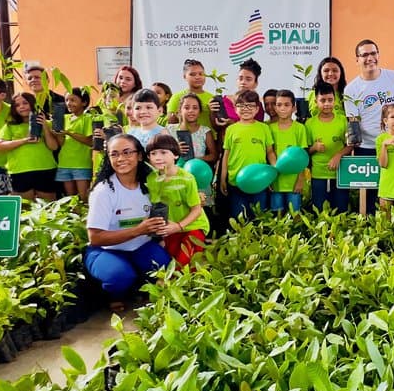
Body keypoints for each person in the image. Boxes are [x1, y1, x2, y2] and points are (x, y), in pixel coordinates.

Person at [86, 133, 170, 312]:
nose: (121, 159)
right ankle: (113, 293)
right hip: (106, 250)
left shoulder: (151, 184)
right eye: (114, 154)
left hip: (141, 246)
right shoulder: (103, 191)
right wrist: (138, 230)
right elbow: (95, 238)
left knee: (166, 267)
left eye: (127, 152)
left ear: (139, 155)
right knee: (119, 276)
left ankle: (139, 283)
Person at [345, 39, 394, 213]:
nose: (369, 58)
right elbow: (353, 121)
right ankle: (372, 233)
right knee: (370, 194)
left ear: (378, 55)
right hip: (367, 147)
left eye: (373, 53)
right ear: (357, 59)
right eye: (364, 55)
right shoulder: (351, 89)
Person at [145, 134, 209, 268]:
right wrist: (159, 236)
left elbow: (196, 209)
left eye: (163, 152)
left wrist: (179, 226)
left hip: (193, 225)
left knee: (184, 261)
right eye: (153, 153)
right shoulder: (152, 179)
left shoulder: (187, 178)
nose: (158, 157)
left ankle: (172, 286)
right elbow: (156, 208)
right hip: (170, 228)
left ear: (175, 155)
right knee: (171, 257)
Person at [0, 92, 60, 201]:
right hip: (19, 170)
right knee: (25, 208)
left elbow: (54, 147)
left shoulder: (47, 124)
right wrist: (24, 140)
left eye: (25, 103)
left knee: (49, 207)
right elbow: (0, 145)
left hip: (45, 169)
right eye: (17, 105)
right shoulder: (10, 126)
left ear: (33, 104)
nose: (22, 107)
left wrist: (44, 126)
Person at [220, 90, 274, 218]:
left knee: (258, 217)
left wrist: (273, 173)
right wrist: (223, 178)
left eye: (250, 106)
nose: (246, 109)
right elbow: (226, 155)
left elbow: (270, 152)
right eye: (241, 106)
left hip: (259, 180)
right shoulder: (231, 129)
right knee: (237, 217)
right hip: (236, 181)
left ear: (257, 109)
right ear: (235, 108)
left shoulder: (264, 128)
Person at [304, 82, 351, 213]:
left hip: (340, 174)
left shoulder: (342, 120)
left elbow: (350, 145)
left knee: (341, 210)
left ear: (335, 101)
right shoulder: (310, 124)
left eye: (330, 100)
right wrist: (314, 148)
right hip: (318, 174)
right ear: (316, 101)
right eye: (322, 100)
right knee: (319, 211)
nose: (326, 104)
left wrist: (338, 155)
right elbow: (305, 151)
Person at [268, 90, 310, 213]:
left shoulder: (300, 129)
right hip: (276, 181)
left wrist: (300, 180)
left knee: (294, 214)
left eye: (287, 105)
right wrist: (270, 178)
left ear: (294, 108)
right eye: (279, 105)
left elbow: (302, 156)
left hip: (294, 182)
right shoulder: (270, 129)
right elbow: (269, 153)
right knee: (277, 215)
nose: (283, 108)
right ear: (275, 107)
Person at [55, 87, 96, 203]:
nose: (69, 103)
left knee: (83, 199)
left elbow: (89, 141)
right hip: (64, 163)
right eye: (67, 100)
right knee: (70, 199)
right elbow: (61, 143)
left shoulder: (88, 118)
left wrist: (69, 133)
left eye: (73, 100)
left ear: (84, 102)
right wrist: (58, 134)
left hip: (81, 164)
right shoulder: (64, 118)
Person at [165, 59, 215, 128]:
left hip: (209, 137)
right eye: (192, 74)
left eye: (201, 74)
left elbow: (218, 125)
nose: (197, 77)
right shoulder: (177, 97)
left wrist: (212, 112)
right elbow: (170, 121)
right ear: (184, 77)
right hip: (184, 137)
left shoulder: (212, 98)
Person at [221, 58, 265, 123]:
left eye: (248, 79)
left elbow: (257, 127)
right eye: (240, 78)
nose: (243, 82)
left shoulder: (258, 105)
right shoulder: (225, 101)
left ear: (255, 83)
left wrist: (233, 122)